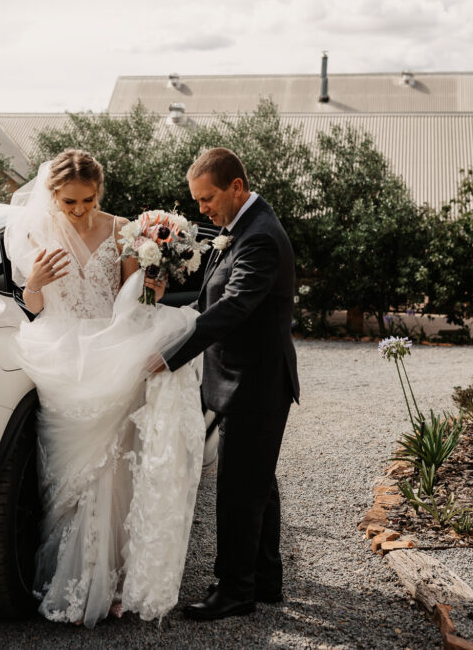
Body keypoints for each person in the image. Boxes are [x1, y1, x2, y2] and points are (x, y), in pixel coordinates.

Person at [5, 149, 206, 628]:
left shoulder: (122, 230)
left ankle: (111, 584)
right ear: (53, 195)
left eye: (88, 200)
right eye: (69, 202)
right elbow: (33, 306)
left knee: (116, 472)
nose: (79, 210)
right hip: (61, 357)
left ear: (100, 192)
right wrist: (32, 282)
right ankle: (68, 579)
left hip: (112, 352)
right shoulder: (37, 231)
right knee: (66, 481)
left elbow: (133, 302)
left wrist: (153, 279)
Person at [160, 147, 300, 621]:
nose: (202, 209)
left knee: (239, 487)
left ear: (236, 187)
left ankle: (235, 590)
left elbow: (235, 305)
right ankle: (264, 578)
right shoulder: (245, 226)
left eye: (207, 198)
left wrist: (171, 355)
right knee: (257, 481)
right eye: (197, 201)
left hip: (254, 384)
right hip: (249, 378)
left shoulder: (258, 237)